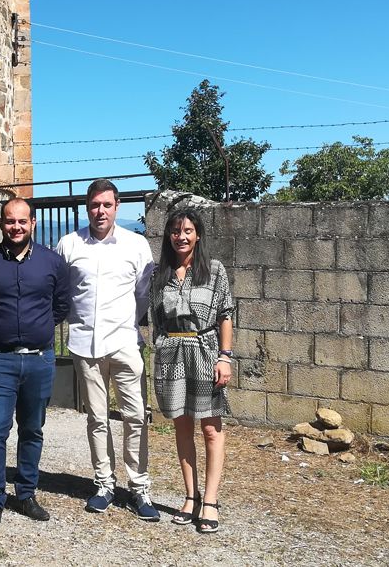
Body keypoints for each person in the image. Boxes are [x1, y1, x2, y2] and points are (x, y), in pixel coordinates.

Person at [55, 179, 160, 521]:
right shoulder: (69, 244)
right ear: (88, 208)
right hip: (85, 345)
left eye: (106, 205)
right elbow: (63, 292)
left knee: (135, 419)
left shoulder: (136, 245)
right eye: (94, 205)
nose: (100, 211)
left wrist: (128, 325)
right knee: (97, 419)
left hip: (125, 343)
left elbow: (143, 293)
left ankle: (139, 488)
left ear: (117, 207)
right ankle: (104, 485)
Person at [0, 198, 70, 533]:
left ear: (33, 223)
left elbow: (61, 305)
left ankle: (25, 494)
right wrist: (0, 331)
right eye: (10, 222)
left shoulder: (53, 263)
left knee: (32, 429)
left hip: (39, 360)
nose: (16, 227)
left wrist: (36, 329)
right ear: (1, 223)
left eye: (22, 221)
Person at [150, 207, 235, 534]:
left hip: (205, 352)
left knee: (211, 429)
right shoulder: (161, 274)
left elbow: (225, 313)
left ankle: (210, 500)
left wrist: (224, 357)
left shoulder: (214, 271)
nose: (180, 237)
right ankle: (190, 496)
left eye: (187, 231)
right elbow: (155, 319)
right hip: (172, 353)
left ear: (197, 235)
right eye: (174, 231)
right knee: (182, 427)